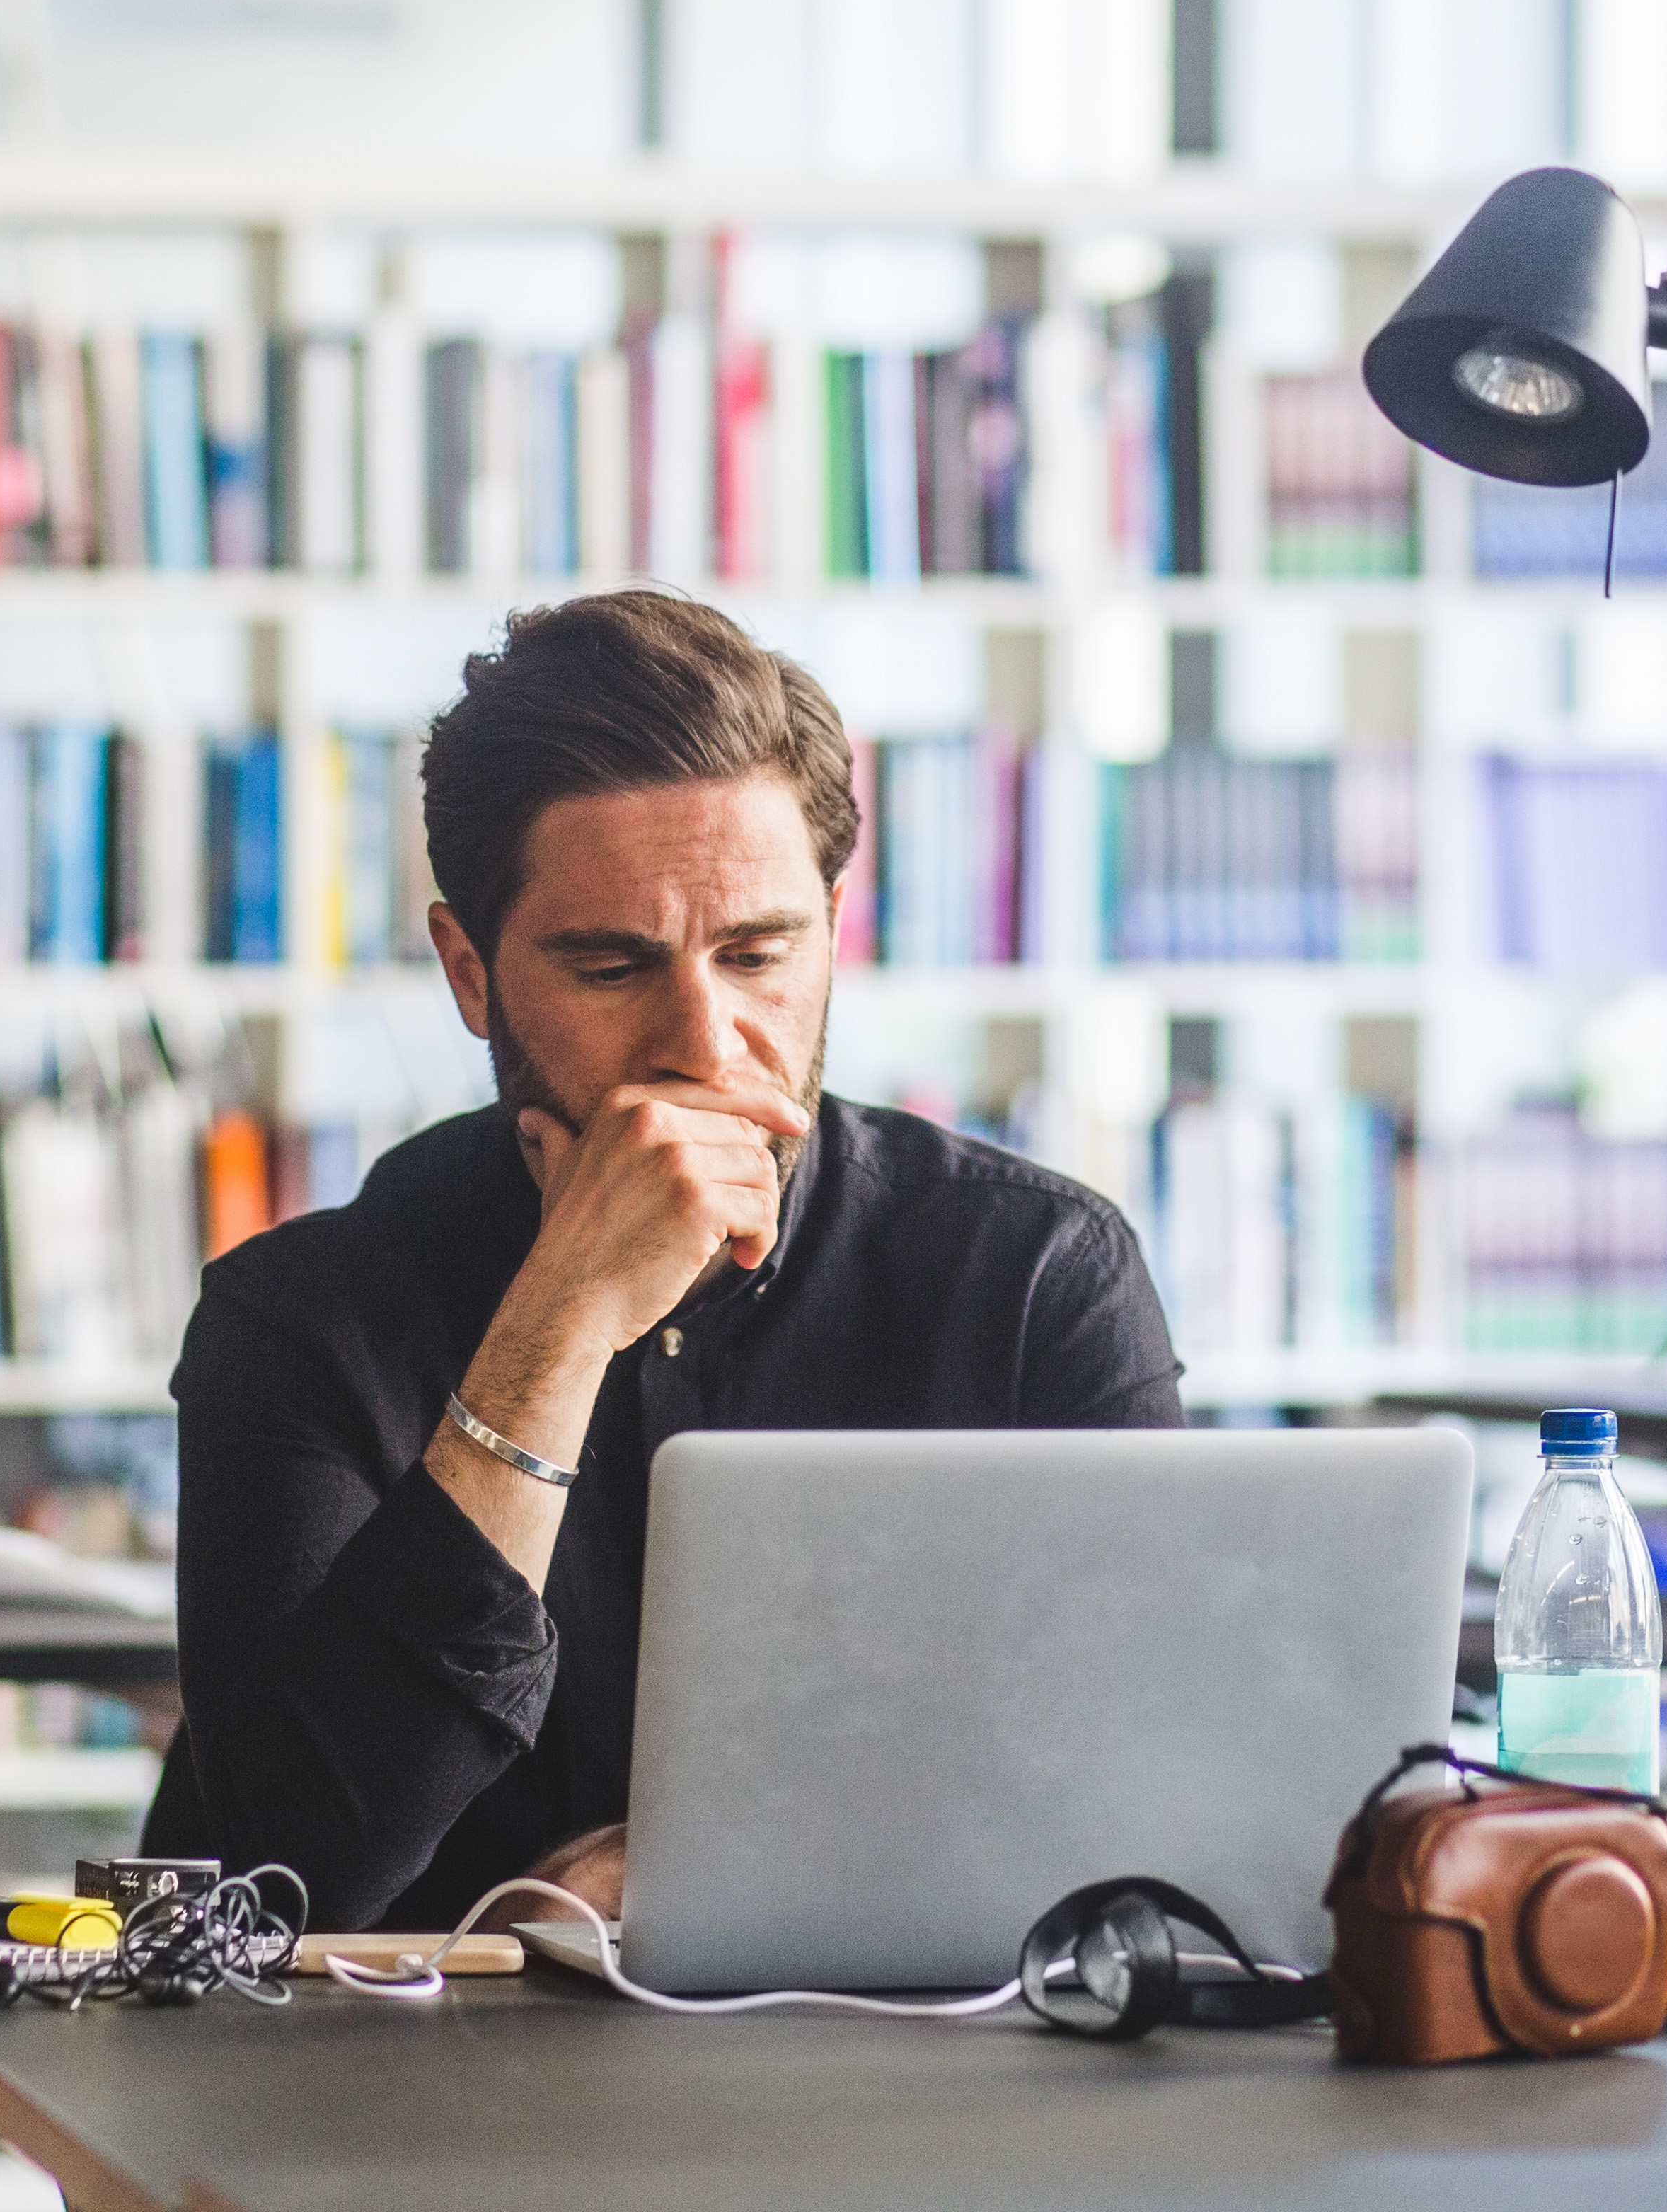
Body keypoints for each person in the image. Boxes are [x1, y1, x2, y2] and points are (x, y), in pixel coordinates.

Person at [143, 592, 1186, 1933]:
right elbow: (289, 1874)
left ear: (832, 930)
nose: (706, 1040)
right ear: (471, 974)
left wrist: (734, 1863)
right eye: (611, 967)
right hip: (398, 2106)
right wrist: (562, 1324)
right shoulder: (295, 1323)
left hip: (900, 2092)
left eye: (759, 954)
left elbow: (1152, 1801)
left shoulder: (1038, 1275)